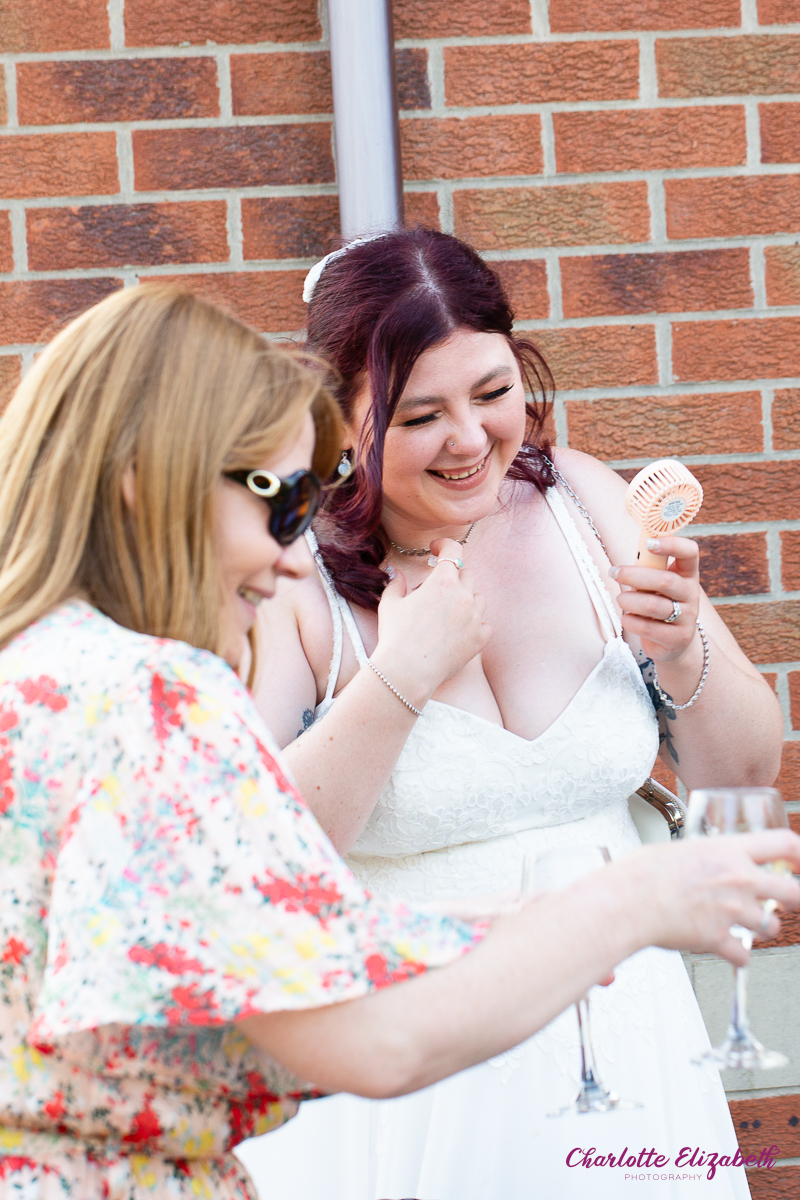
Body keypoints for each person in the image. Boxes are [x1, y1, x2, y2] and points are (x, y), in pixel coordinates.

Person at [0, 285, 794, 1200]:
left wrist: (576, 909)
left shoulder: (47, 678)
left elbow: (258, 936)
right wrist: (635, 905)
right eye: (278, 496)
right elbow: (370, 1042)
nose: (297, 556)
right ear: (147, 480)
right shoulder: (155, 699)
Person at [247, 228, 787, 1200]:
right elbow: (262, 858)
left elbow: (740, 776)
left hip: (626, 1048)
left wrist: (681, 644)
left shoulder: (583, 503)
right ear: (340, 418)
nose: (469, 439)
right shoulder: (286, 572)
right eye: (418, 414)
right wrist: (398, 681)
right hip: (413, 1079)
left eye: (491, 393)